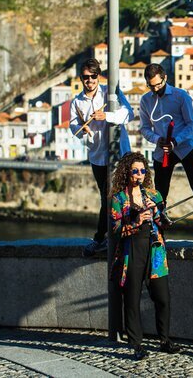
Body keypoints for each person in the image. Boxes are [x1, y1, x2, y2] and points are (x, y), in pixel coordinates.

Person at [109, 152, 182, 360]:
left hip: (155, 249)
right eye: (135, 171)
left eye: (142, 171)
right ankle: (136, 344)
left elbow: (166, 224)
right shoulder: (119, 198)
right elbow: (115, 230)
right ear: (126, 172)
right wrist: (136, 221)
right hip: (131, 250)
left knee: (163, 297)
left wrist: (158, 213)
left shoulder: (154, 194)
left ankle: (165, 339)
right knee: (131, 298)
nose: (139, 175)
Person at [69, 58, 134, 257]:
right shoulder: (77, 102)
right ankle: (117, 235)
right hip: (97, 156)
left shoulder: (110, 93)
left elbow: (128, 113)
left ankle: (100, 238)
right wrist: (82, 130)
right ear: (81, 78)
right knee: (107, 197)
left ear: (98, 76)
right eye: (86, 77)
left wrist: (107, 116)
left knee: (109, 197)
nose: (89, 81)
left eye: (93, 76)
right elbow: (73, 125)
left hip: (118, 154)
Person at [139, 63, 193, 212]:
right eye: (152, 86)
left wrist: (175, 141)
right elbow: (144, 128)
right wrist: (157, 139)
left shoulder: (181, 96)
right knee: (159, 194)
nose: (156, 89)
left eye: (159, 84)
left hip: (185, 147)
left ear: (165, 78)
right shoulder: (145, 100)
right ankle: (158, 231)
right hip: (162, 151)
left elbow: (191, 124)